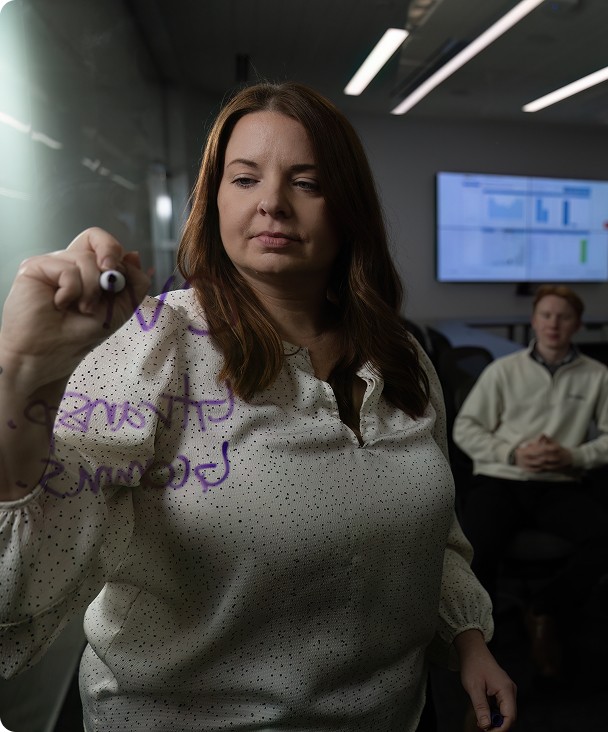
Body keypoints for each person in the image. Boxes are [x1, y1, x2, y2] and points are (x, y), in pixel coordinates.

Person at [0, 81, 516, 732]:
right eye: (244, 179)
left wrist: (470, 639)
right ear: (214, 200)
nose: (271, 202)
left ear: (348, 207)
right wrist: (20, 377)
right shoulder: (158, 349)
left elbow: (431, 535)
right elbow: (16, 587)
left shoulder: (401, 358)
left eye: (306, 181)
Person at [452, 285, 608, 678]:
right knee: (477, 549)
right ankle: (482, 651)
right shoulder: (503, 370)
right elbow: (465, 428)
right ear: (534, 321)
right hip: (502, 478)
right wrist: (512, 453)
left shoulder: (596, 375)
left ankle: (546, 609)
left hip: (559, 481)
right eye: (547, 315)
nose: (554, 324)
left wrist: (576, 455)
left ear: (578, 324)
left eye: (564, 316)